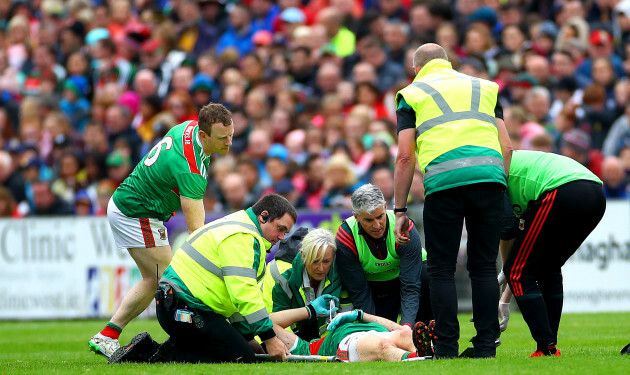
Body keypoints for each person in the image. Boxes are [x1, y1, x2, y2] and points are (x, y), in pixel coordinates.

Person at [393, 43, 513, 359]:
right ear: (449, 63)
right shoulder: (486, 88)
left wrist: (400, 209)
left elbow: (405, 156)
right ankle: (486, 346)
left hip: (444, 184)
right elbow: (508, 148)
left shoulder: (411, 93)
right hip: (489, 180)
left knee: (441, 268)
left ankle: (446, 347)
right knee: (485, 266)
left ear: (416, 69)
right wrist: (504, 191)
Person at [88, 103, 235, 358]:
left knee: (155, 279)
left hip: (134, 206)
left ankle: (108, 335)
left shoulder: (188, 127)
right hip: (136, 212)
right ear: (204, 135)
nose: (229, 143)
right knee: (174, 281)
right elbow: (196, 232)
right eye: (222, 138)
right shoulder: (190, 169)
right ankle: (190, 340)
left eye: (231, 135)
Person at [109, 194, 299, 364]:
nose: (282, 237)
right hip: (184, 308)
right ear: (263, 216)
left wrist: (247, 338)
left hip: (180, 306)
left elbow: (234, 296)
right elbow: (244, 293)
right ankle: (152, 353)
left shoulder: (240, 227)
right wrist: (270, 339)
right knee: (241, 358)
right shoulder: (242, 236)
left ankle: (161, 348)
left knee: (245, 350)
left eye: (286, 233)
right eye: (280, 229)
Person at [496, 150, 605, 357]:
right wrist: (507, 281)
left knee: (519, 271)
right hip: (595, 192)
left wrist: (505, 295)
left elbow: (507, 231)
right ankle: (549, 347)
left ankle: (546, 347)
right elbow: (514, 243)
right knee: (548, 268)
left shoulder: (492, 172)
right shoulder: (503, 163)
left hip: (563, 189)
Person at [335, 184, 430, 328]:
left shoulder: (404, 227)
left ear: (385, 207)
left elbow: (411, 286)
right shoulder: (345, 238)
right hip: (375, 287)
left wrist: (406, 326)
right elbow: (360, 293)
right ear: (357, 217)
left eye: (380, 216)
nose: (377, 225)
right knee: (381, 332)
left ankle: (426, 331)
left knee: (428, 276)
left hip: (412, 278)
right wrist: (376, 331)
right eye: (369, 220)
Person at [269, 304, 434, 362]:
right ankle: (419, 356)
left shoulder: (352, 319)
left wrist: (360, 315)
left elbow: (395, 327)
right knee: (383, 346)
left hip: (373, 329)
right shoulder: (304, 349)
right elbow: (270, 321)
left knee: (405, 333)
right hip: (348, 341)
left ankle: (430, 349)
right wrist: (310, 310)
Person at [270, 228, 345, 341]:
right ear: (303, 255)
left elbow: (347, 321)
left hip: (331, 340)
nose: (321, 268)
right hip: (294, 341)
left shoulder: (343, 277)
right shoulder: (284, 282)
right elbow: (277, 326)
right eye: (315, 261)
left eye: (326, 261)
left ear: (333, 257)